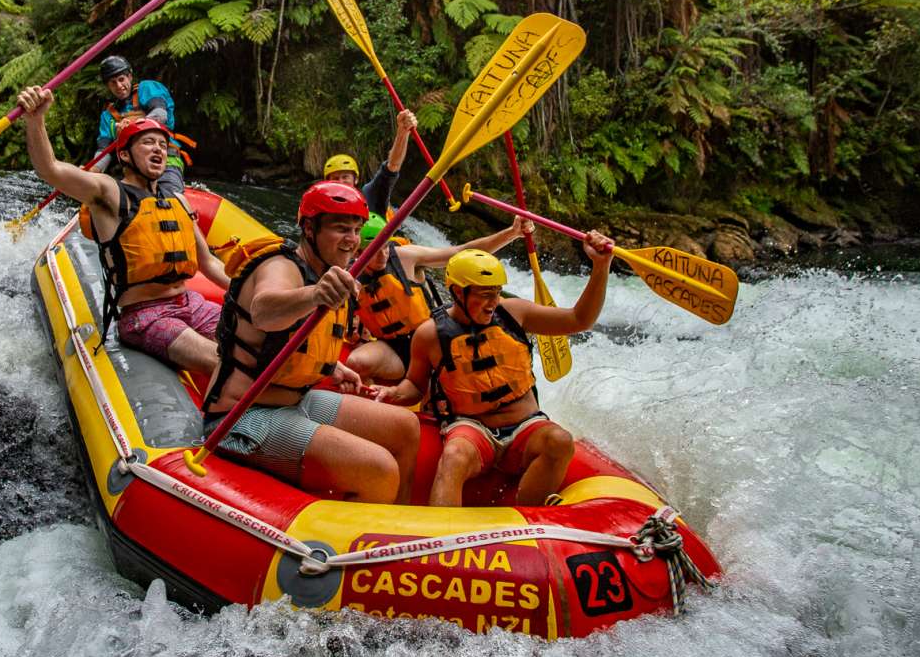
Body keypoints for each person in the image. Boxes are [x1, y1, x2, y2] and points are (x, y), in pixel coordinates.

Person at [200, 181, 420, 504]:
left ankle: (400, 528)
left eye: (356, 230)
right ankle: (364, 548)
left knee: (406, 426)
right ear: (309, 229)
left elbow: (296, 343)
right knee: (379, 467)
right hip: (241, 417)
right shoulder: (281, 266)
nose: (352, 240)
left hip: (295, 400)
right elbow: (264, 310)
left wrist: (335, 367)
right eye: (341, 229)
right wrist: (315, 294)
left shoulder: (326, 270)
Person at [379, 238, 612, 507]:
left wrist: (600, 266)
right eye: (484, 294)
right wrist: (392, 393)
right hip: (471, 428)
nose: (493, 302)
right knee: (455, 455)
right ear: (457, 292)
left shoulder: (514, 313)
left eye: (497, 292)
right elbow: (414, 386)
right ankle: (442, 536)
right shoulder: (429, 334)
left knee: (560, 440)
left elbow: (579, 320)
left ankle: (527, 518)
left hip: (525, 427)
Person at [18, 85, 230, 374]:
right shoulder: (108, 193)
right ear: (126, 156)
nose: (158, 148)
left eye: (162, 145)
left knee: (255, 347)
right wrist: (36, 120)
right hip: (146, 315)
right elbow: (51, 169)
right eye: (148, 143)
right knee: (225, 363)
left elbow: (209, 263)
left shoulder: (177, 200)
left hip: (190, 302)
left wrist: (248, 295)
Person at [347, 212, 536, 386]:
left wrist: (511, 233)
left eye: (386, 247)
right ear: (357, 253)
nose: (383, 255)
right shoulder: (352, 277)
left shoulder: (406, 257)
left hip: (436, 340)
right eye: (374, 251)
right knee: (356, 363)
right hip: (395, 349)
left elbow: (462, 252)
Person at [94, 55, 191, 201]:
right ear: (108, 86)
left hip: (166, 161)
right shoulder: (108, 116)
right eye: (113, 83)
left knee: (171, 201)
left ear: (130, 77)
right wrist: (91, 172)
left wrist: (132, 127)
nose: (119, 86)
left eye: (121, 79)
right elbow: (103, 152)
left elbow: (160, 114)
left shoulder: (147, 88)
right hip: (133, 170)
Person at [323, 108, 416, 217]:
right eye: (335, 178)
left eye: (345, 177)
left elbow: (392, 166)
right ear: (328, 183)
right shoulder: (323, 208)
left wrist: (403, 133)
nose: (341, 182)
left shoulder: (369, 194)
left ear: (356, 179)